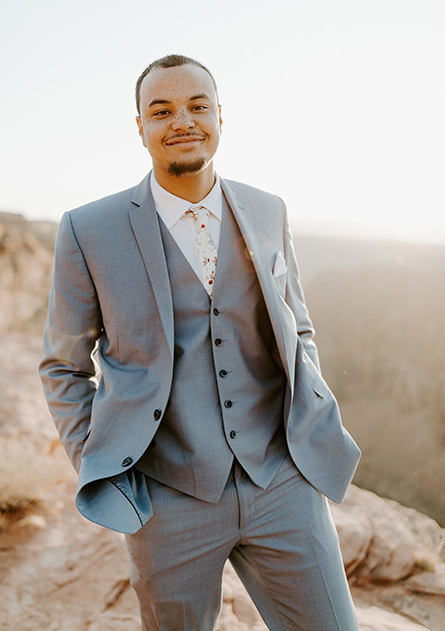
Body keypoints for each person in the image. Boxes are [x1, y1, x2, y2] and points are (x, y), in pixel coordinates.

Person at [39, 54, 361, 631]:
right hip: (166, 498)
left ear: (220, 115)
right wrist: (105, 464)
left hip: (280, 479)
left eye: (197, 105)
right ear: (140, 127)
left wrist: (305, 428)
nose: (181, 120)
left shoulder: (267, 209)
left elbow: (299, 328)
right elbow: (63, 367)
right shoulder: (88, 229)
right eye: (160, 110)